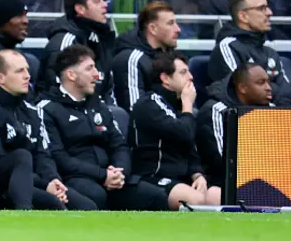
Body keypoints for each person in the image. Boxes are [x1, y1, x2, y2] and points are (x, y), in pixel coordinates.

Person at [39, 44, 169, 210]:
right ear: (71, 74)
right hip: (77, 178)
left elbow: (119, 144)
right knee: (96, 197)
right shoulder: (47, 108)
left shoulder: (99, 105)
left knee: (155, 196)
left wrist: (119, 172)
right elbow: (59, 157)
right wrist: (102, 175)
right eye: (89, 68)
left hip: (112, 176)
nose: (97, 74)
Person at [0, 49, 97, 210]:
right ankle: (24, 216)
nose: (27, 76)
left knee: (87, 207)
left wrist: (53, 181)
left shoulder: (33, 111)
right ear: (0, 78)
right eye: (19, 71)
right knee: (23, 159)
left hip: (35, 182)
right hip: (2, 186)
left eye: (27, 70)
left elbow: (43, 154)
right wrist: (44, 185)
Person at [129, 51, 221, 210]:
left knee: (217, 196)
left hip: (181, 178)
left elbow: (189, 146)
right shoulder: (149, 104)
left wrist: (197, 175)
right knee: (197, 201)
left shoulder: (180, 106)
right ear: (165, 78)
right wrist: (187, 107)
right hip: (152, 177)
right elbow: (183, 133)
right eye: (183, 72)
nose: (191, 77)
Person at [208, 0, 291, 104]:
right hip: (244, 118)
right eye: (262, 8)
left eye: (268, 7)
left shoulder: (270, 52)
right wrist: (275, 90)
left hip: (276, 116)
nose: (269, 12)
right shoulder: (228, 48)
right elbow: (239, 91)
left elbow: (286, 93)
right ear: (243, 16)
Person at [197, 63, 272, 188]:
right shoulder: (217, 111)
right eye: (261, 83)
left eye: (268, 82)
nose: (268, 87)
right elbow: (222, 160)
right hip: (224, 183)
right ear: (242, 88)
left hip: (268, 178)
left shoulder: (272, 109)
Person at [37, 0, 114, 104]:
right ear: (80, 9)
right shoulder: (66, 41)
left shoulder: (101, 40)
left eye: (103, 0)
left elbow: (108, 90)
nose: (105, 5)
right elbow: (57, 89)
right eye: (97, 0)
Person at [112, 1, 181, 112]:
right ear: (153, 29)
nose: (178, 29)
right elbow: (135, 111)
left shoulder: (171, 57)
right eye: (170, 23)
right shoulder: (131, 59)